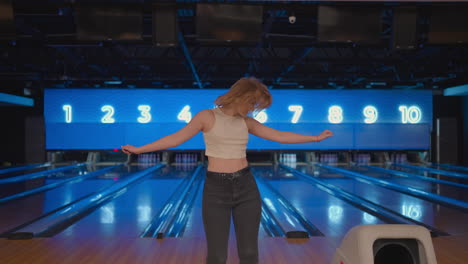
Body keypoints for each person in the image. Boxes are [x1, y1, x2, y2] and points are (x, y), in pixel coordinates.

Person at [121, 77, 334, 264]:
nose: (253, 108)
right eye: (252, 103)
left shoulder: (247, 122)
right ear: (240, 96)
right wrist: (140, 149)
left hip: (246, 187)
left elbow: (280, 136)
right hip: (216, 189)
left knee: (250, 254)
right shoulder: (207, 116)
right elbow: (175, 138)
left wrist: (314, 138)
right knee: (217, 257)